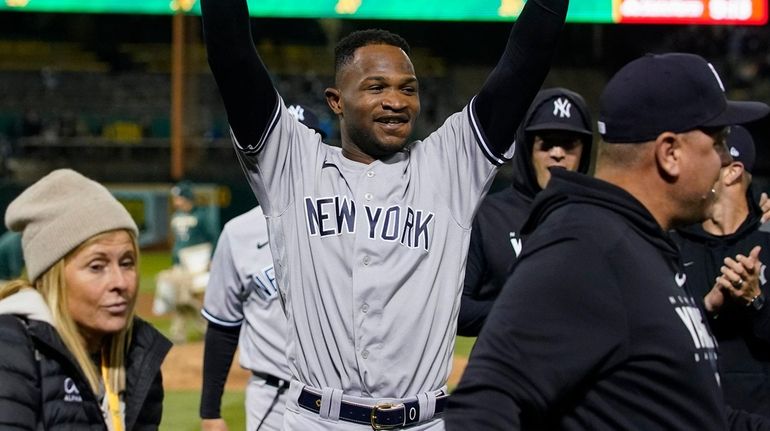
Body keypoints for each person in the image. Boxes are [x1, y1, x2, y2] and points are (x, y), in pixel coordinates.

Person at [201, 0, 568, 428]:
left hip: (424, 421)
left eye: (408, 88)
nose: (396, 101)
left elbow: (523, 63)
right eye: (376, 87)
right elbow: (232, 55)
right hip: (320, 420)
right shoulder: (292, 164)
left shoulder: (450, 165)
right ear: (336, 101)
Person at [445, 53, 770, 429]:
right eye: (717, 142)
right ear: (670, 154)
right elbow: (483, 406)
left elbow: (681, 408)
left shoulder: (642, 242)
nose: (724, 162)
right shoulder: (585, 247)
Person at [0, 168, 172, 430]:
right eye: (96, 266)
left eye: (127, 263)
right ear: (52, 276)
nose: (120, 283)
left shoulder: (137, 354)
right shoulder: (11, 347)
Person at [199, 105, 327, 431]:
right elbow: (222, 325)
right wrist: (210, 412)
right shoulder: (238, 233)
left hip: (337, 400)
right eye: (285, 148)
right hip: (271, 399)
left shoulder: (346, 222)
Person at [458, 87, 593, 335]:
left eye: (568, 143)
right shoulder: (487, 216)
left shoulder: (602, 220)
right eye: (546, 143)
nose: (557, 153)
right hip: (506, 367)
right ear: (527, 148)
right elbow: (458, 311)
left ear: (584, 150)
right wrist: (531, 313)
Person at [674, 125, 770, 417]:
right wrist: (706, 307)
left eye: (709, 156)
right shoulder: (673, 244)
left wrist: (756, 301)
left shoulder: (767, 237)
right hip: (695, 416)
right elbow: (661, 340)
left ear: (732, 171)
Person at [154, 179, 217, 343]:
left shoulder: (202, 216)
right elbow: (177, 242)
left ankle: (200, 328)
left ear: (186, 197)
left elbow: (213, 237)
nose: (175, 201)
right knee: (180, 298)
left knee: (183, 299)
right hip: (181, 264)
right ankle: (187, 332)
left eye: (178, 197)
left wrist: (212, 259)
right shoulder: (176, 216)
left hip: (198, 264)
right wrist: (175, 261)